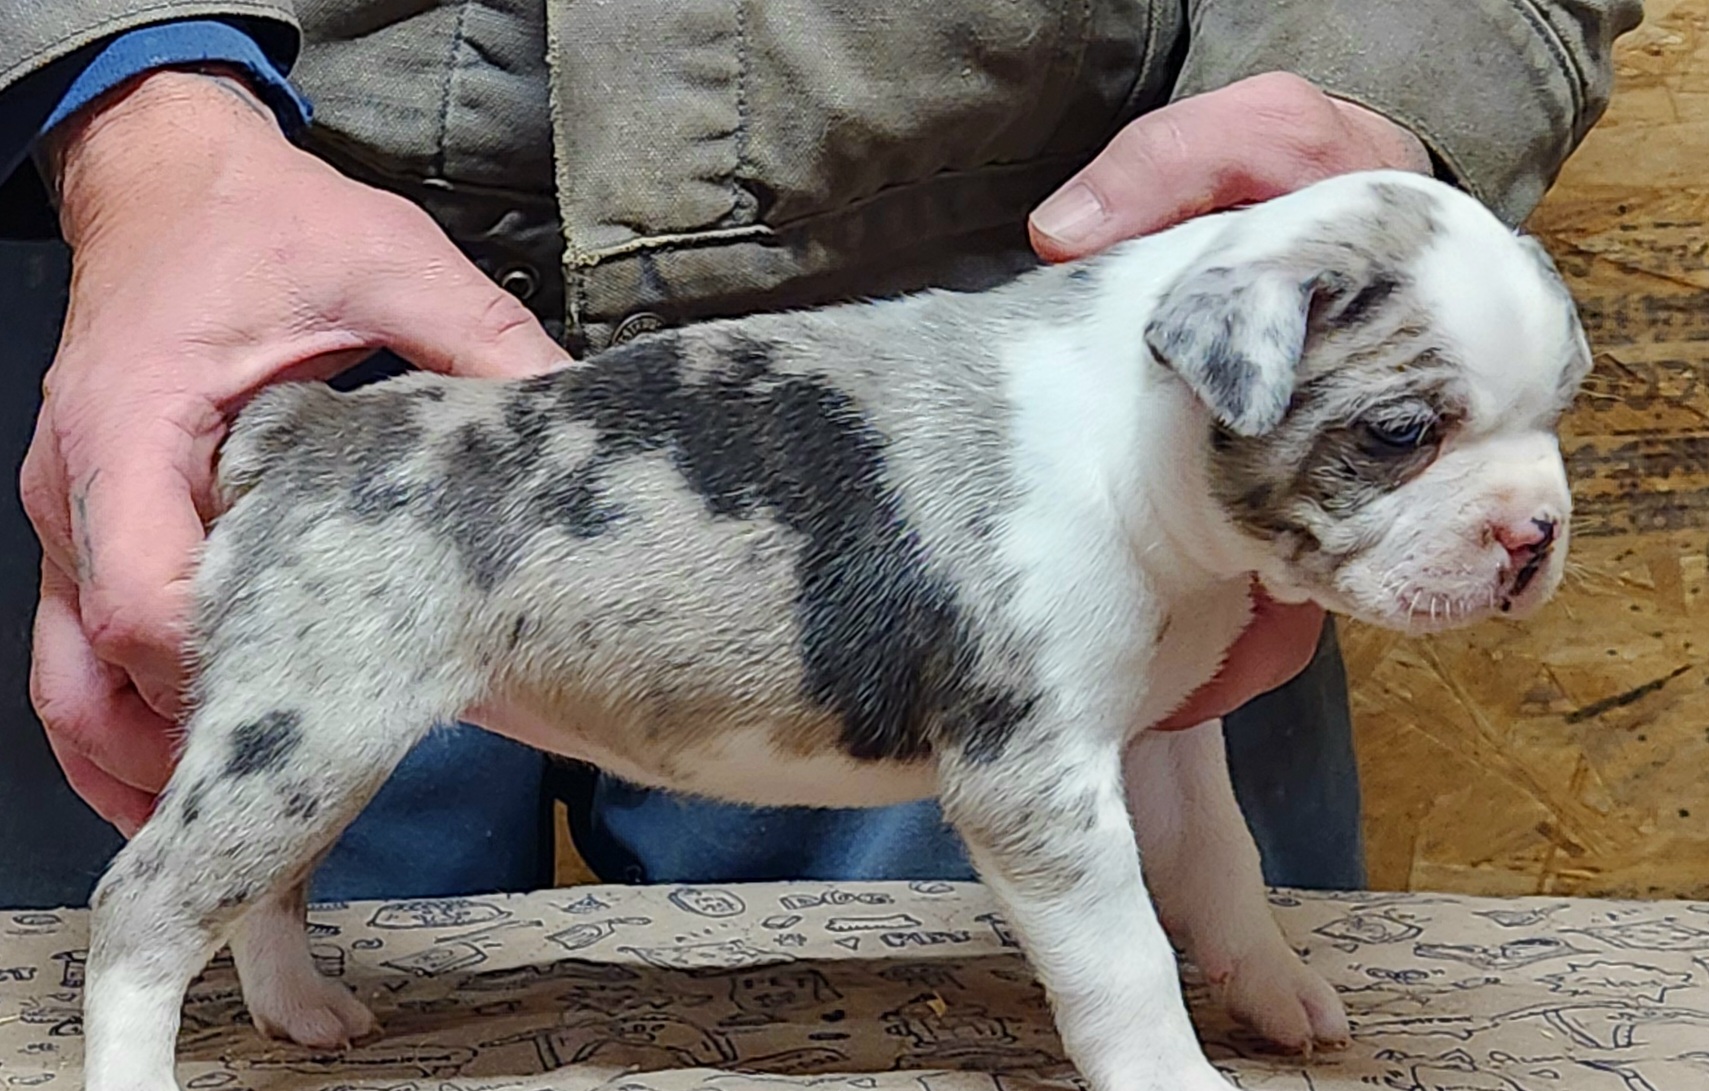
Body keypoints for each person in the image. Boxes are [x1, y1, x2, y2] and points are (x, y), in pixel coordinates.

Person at [1, 2, 1640, 902]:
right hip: (249, 290)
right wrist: (135, 111)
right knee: (210, 1006)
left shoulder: (1268, 345)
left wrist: (1359, 114)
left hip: (1024, 371)